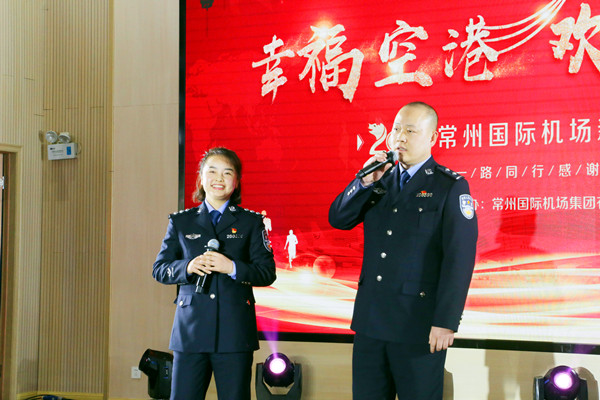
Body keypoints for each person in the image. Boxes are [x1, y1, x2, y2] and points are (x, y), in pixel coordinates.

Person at [329, 101, 478, 400]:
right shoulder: (379, 179)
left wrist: (446, 321)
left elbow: (459, 259)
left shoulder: (449, 186)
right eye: (396, 129)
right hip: (371, 321)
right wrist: (363, 182)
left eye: (410, 131)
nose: (400, 138)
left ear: (433, 137)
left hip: (417, 326)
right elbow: (339, 219)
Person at [153, 147, 276, 400]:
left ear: (236, 181)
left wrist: (232, 267)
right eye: (212, 171)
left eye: (227, 172)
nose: (219, 178)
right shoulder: (181, 222)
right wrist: (188, 267)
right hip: (190, 333)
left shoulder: (251, 222)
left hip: (235, 334)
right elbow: (160, 269)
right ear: (201, 178)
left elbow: (266, 272)